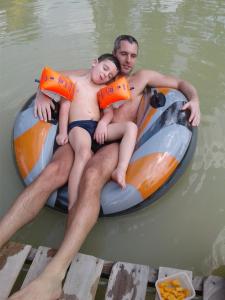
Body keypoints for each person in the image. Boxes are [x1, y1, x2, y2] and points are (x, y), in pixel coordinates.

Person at [1, 35, 200, 300]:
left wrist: (194, 99)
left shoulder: (139, 79)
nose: (128, 60)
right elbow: (52, 77)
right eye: (123, 54)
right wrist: (40, 95)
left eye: (132, 55)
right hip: (81, 133)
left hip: (112, 144)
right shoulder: (94, 75)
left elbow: (180, 83)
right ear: (113, 54)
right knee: (51, 173)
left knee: (92, 175)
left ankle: (53, 276)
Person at [56, 53, 137, 210]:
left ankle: (120, 169)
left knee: (131, 127)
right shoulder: (74, 81)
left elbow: (108, 113)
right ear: (95, 62)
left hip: (97, 128)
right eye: (105, 68)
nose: (105, 75)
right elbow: (65, 108)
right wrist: (62, 132)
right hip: (78, 127)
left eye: (109, 75)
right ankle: (73, 204)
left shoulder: (103, 90)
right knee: (84, 153)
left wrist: (102, 124)